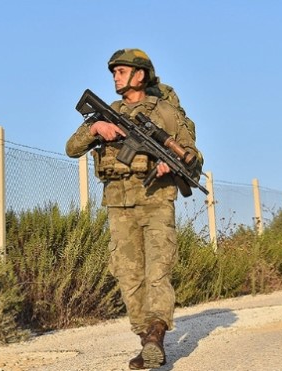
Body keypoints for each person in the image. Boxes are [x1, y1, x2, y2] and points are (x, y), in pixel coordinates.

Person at [65, 48, 202, 369]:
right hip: (118, 202)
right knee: (127, 274)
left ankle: (156, 334)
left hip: (156, 201)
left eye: (121, 70)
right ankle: (145, 338)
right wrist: (96, 129)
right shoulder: (108, 112)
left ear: (140, 75)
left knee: (158, 270)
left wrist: (176, 164)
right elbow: (72, 148)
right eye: (113, 72)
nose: (115, 76)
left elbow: (194, 156)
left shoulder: (166, 113)